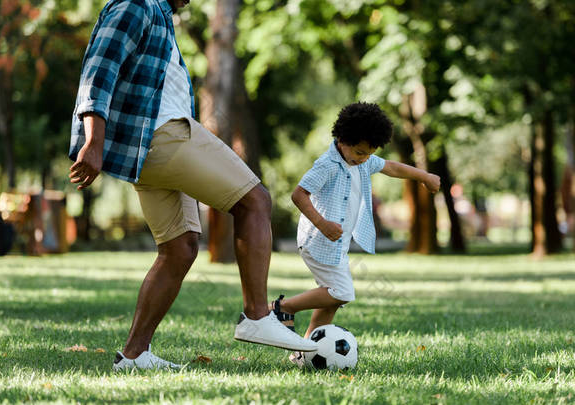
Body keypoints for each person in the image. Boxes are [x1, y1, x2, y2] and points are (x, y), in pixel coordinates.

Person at [68, 0, 316, 371]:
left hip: (149, 152)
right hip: (164, 135)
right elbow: (99, 71)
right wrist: (94, 140)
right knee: (255, 201)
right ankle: (257, 316)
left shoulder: (161, 17)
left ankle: (134, 356)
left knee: (180, 248)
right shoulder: (137, 5)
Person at [269, 102, 441, 365]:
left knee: (331, 301)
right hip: (318, 240)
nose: (363, 158)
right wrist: (322, 223)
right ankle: (284, 307)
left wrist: (424, 176)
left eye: (368, 154)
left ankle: (302, 353)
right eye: (360, 152)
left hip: (337, 245)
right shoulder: (327, 164)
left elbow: (392, 167)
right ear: (342, 139)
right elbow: (298, 194)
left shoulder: (363, 162)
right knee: (342, 292)